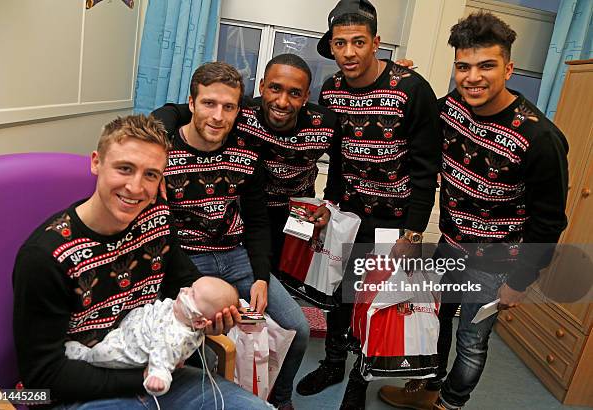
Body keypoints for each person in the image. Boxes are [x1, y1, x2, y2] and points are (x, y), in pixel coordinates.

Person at [12, 114, 270, 409]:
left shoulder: (156, 217)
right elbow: (42, 375)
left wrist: (207, 317)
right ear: (96, 162)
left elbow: (184, 284)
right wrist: (145, 377)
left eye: (151, 174)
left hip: (156, 365)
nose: (136, 188)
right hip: (83, 386)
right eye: (125, 168)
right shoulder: (47, 257)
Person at [378, 12, 569, 410]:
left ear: (509, 68)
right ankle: (429, 388)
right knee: (436, 323)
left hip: (498, 260)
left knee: (471, 341)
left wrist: (520, 281)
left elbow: (549, 222)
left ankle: (450, 405)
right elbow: (410, 114)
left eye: (486, 66)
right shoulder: (450, 110)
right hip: (451, 246)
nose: (472, 77)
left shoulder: (540, 138)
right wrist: (400, 77)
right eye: (463, 66)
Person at [295, 1, 441, 409]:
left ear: (376, 42)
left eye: (359, 41)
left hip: (394, 220)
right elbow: (337, 158)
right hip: (350, 214)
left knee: (375, 300)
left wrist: (413, 232)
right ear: (332, 48)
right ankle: (334, 362)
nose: (350, 52)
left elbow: (427, 168)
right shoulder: (332, 90)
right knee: (338, 293)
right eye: (341, 43)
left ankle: (361, 378)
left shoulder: (411, 89)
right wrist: (330, 207)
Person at [154, 61, 311, 410]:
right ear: (191, 104)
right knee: (196, 345)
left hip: (235, 255)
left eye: (229, 107)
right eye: (209, 103)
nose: (218, 116)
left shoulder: (245, 151)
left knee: (298, 329)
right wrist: (197, 285)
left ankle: (280, 400)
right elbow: (160, 230)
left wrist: (259, 277)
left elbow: (256, 221)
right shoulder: (164, 152)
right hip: (186, 259)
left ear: (239, 110)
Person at [152, 53, 341, 276]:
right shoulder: (242, 111)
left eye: (295, 93)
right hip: (252, 208)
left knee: (289, 275)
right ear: (262, 86)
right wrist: (155, 141)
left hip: (296, 211)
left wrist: (329, 205)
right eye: (275, 88)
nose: (282, 101)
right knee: (259, 270)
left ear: (306, 96)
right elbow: (178, 111)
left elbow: (339, 170)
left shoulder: (325, 124)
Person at [64, 276, 239, 396]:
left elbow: (162, 354)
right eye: (191, 287)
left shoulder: (175, 335)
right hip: (129, 330)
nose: (185, 290)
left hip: (125, 350)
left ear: (200, 323)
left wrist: (158, 376)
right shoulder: (183, 312)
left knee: (100, 354)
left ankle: (83, 354)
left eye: (192, 294)